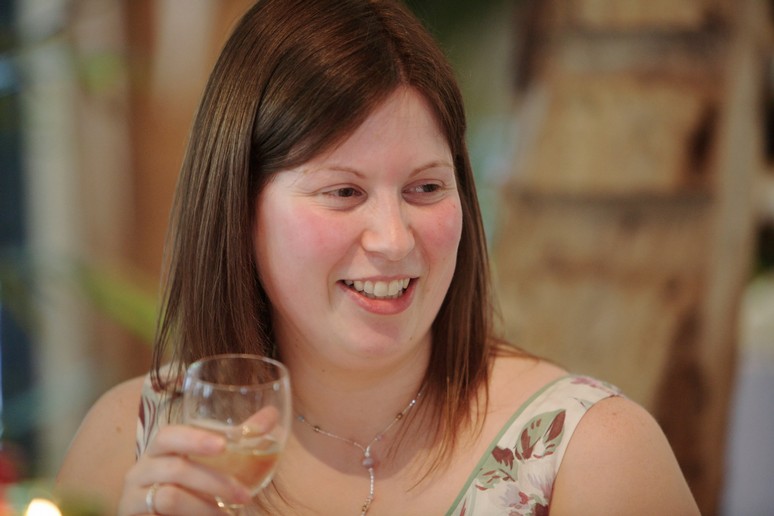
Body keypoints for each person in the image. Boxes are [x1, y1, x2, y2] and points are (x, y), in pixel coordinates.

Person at [56, 0, 700, 514]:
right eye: (344, 192)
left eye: (426, 188)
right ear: (239, 207)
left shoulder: (591, 452)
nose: (393, 240)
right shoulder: (132, 444)